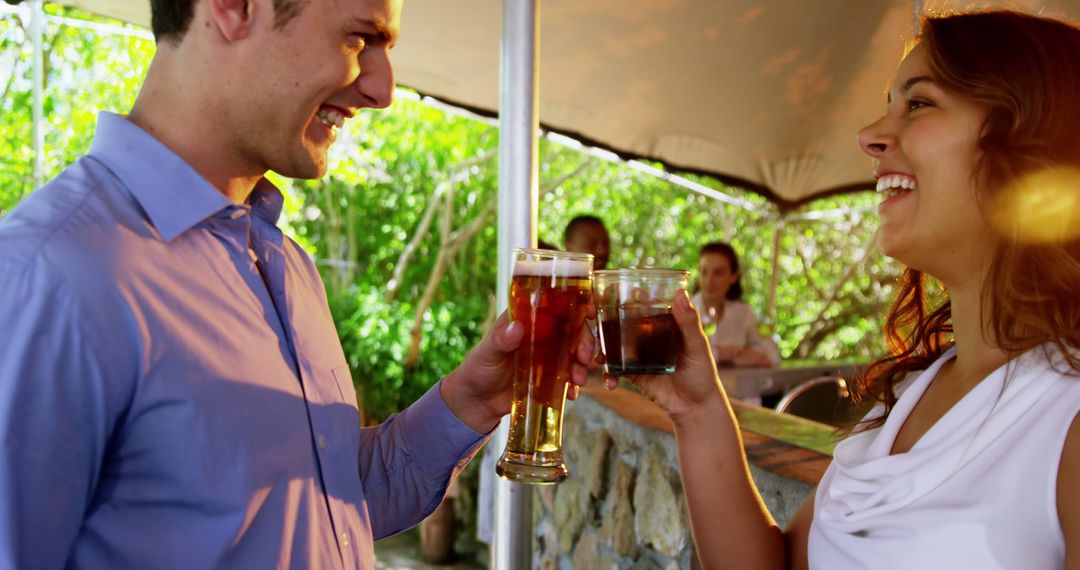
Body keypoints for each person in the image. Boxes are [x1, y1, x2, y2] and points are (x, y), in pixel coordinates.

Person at [0, 0, 594, 568]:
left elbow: (320, 502)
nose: (383, 90)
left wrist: (472, 401)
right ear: (235, 8)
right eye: (359, 37)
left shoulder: (284, 263)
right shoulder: (48, 280)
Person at [618, 10, 1080, 569]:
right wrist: (699, 410)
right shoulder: (910, 395)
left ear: (1034, 145)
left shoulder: (1064, 419)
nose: (869, 136)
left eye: (919, 102)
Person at [692, 241, 780, 368]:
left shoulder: (743, 313)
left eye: (718, 273)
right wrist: (720, 354)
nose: (709, 280)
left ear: (733, 276)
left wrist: (738, 355)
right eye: (704, 272)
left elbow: (772, 356)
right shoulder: (683, 312)